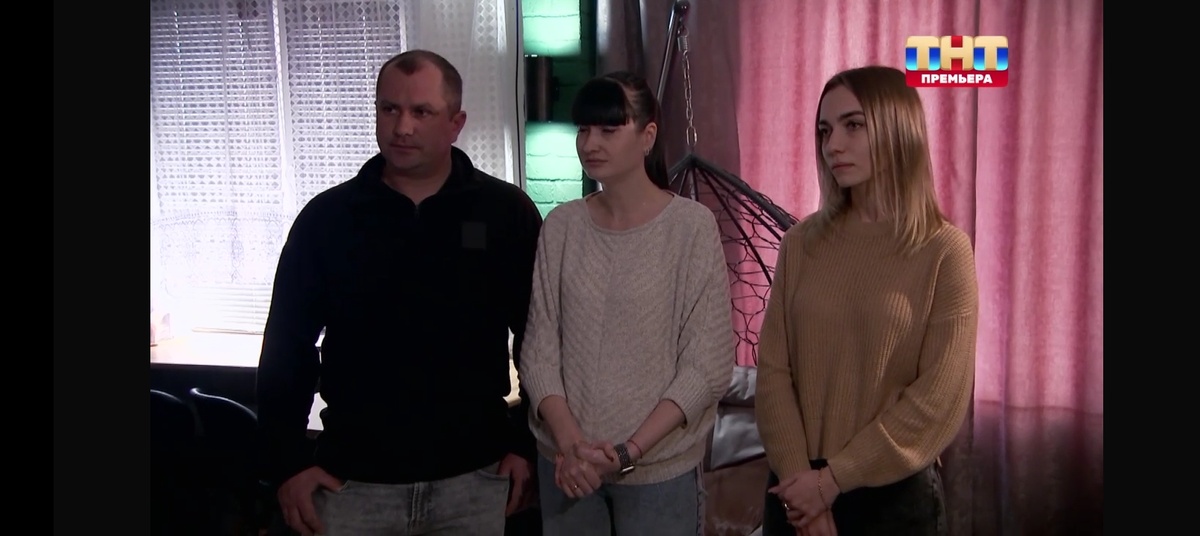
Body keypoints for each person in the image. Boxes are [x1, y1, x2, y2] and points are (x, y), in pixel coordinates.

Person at [255, 49, 543, 536]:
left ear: (456, 124)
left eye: (421, 112)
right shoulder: (328, 219)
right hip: (353, 481)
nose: (402, 127)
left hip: (477, 476)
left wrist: (526, 444)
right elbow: (287, 345)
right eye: (389, 109)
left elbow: (540, 337)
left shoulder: (504, 213)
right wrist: (287, 463)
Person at [754, 65, 980, 536]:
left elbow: (938, 398)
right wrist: (805, 490)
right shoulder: (801, 244)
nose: (833, 145)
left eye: (853, 125)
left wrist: (833, 481)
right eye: (825, 130)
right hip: (796, 492)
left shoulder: (944, 251)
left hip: (893, 499)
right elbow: (773, 370)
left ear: (898, 128)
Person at [517, 71, 736, 536]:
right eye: (584, 129)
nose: (590, 143)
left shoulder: (690, 228)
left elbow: (708, 364)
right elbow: (538, 351)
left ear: (647, 136)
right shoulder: (562, 226)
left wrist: (627, 452)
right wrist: (572, 446)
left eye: (608, 129)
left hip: (659, 473)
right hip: (567, 467)